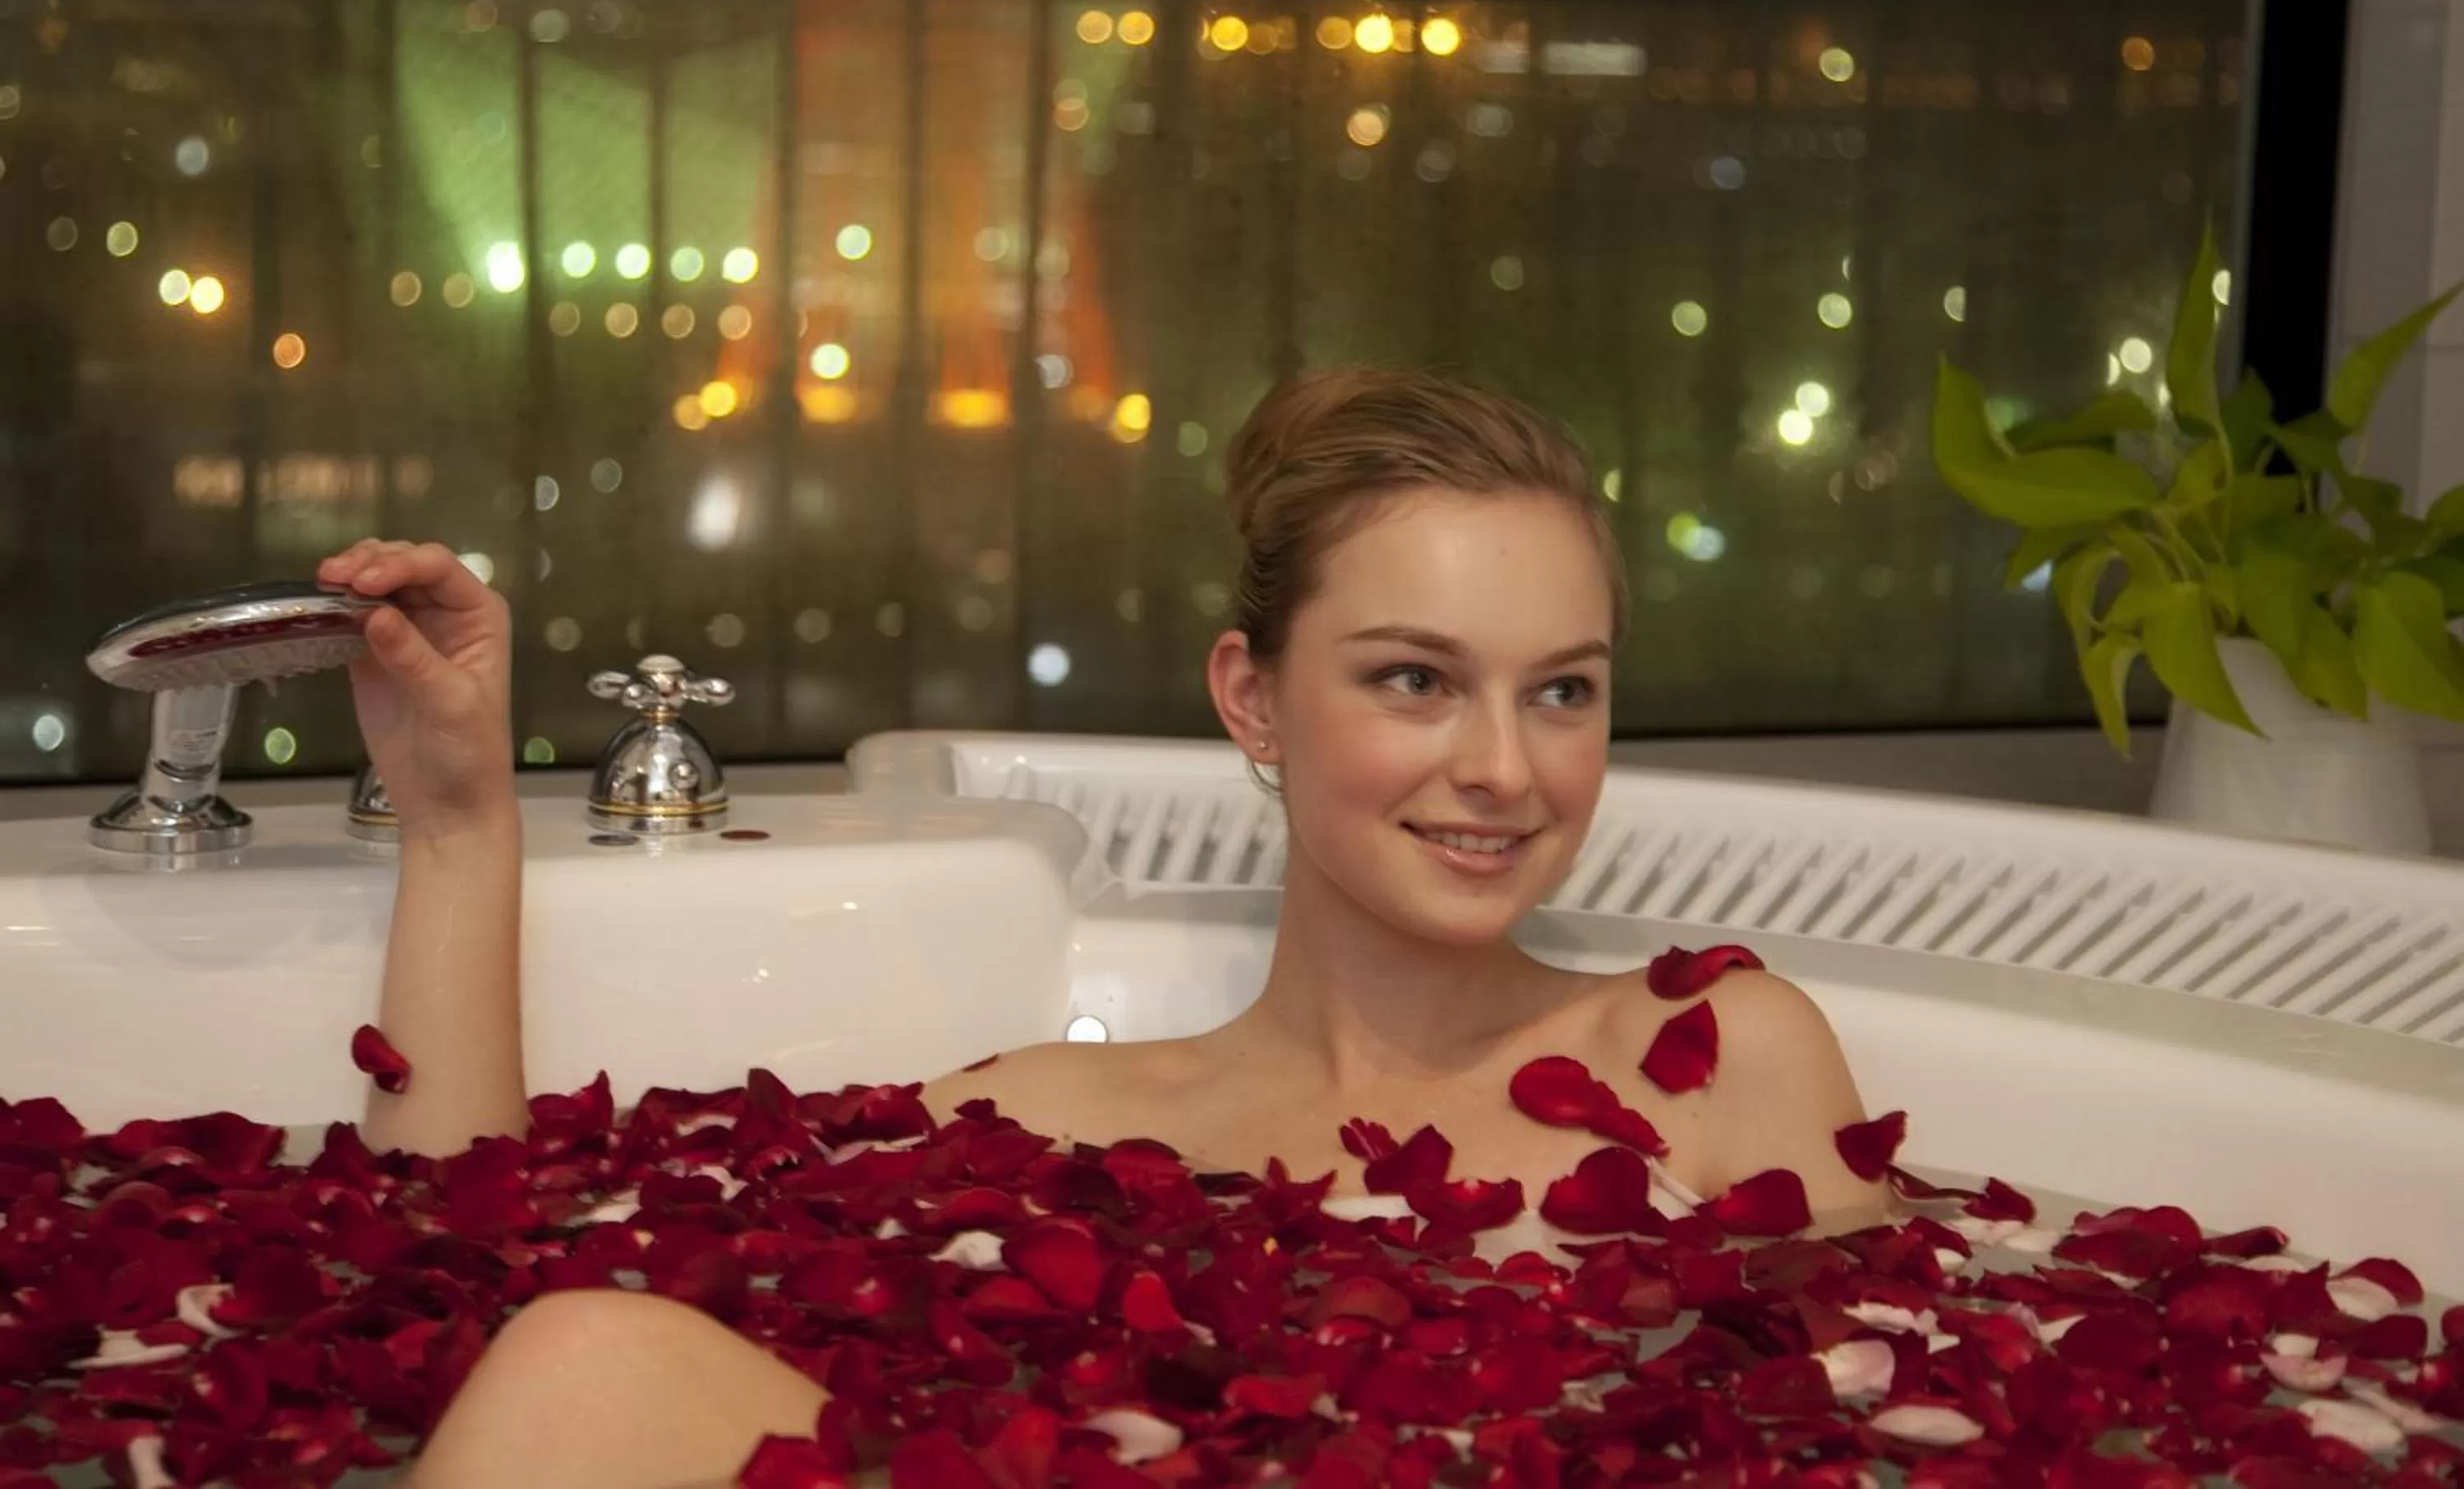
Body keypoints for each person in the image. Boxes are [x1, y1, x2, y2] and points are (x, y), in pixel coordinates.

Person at [329, 366, 1887, 1489]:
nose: (1505, 765)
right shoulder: (1044, 1121)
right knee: (585, 1362)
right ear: (1252, 697)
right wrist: (460, 826)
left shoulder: (1713, 1060)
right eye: (1416, 677)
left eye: (1563, 687)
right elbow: (466, 1283)